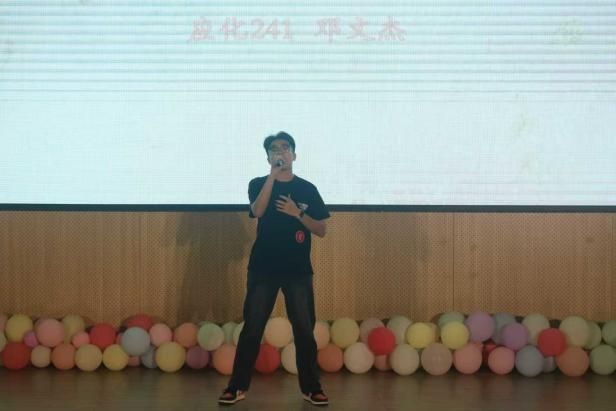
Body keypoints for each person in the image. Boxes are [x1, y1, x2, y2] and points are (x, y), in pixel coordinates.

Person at [218, 131, 330, 407]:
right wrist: (272, 177)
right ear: (268, 157)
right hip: (263, 268)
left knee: (304, 331)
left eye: (285, 148)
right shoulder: (258, 183)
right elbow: (257, 211)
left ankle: (311, 388)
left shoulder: (307, 189)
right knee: (252, 329)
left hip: (298, 270)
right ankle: (237, 386)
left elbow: (321, 229)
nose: (280, 152)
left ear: (294, 154)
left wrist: (297, 213)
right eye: (274, 150)